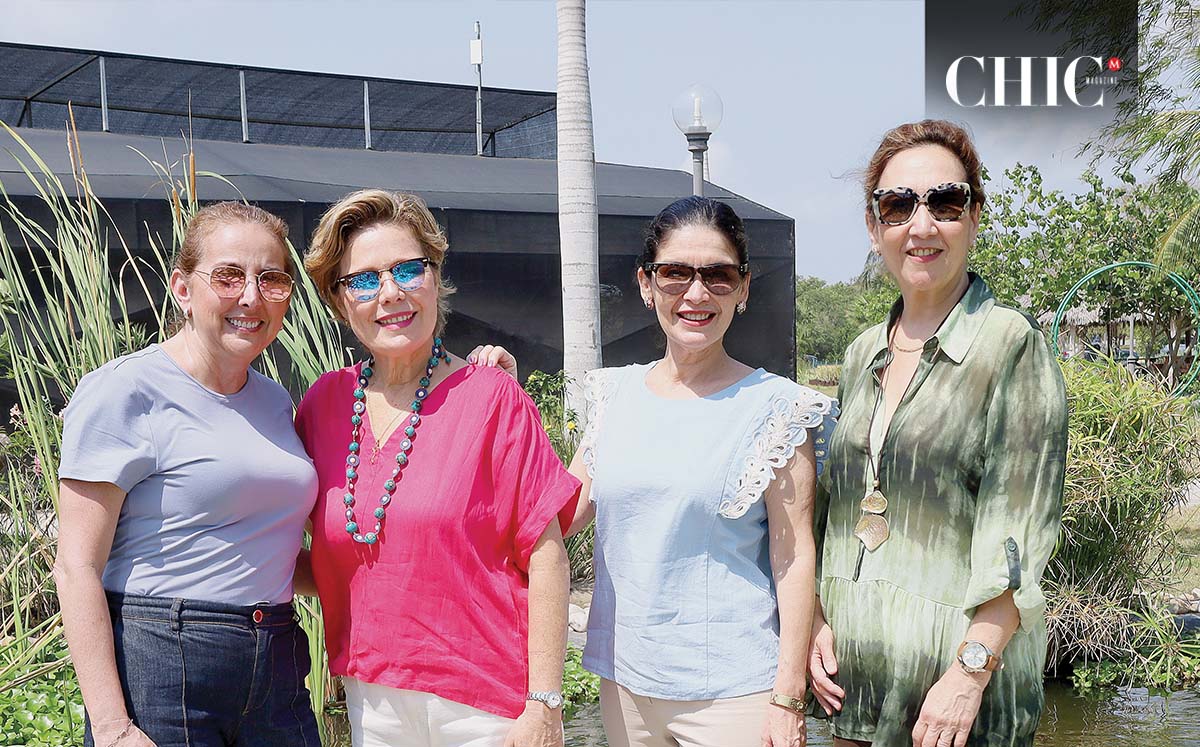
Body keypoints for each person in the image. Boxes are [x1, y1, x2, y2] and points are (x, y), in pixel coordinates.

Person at [806, 120, 1068, 747]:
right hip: (856, 690)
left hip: (957, 705)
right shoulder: (860, 353)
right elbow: (840, 513)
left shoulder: (1011, 346)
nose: (921, 226)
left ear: (974, 216)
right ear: (875, 228)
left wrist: (969, 676)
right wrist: (817, 618)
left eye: (945, 203)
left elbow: (1020, 538)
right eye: (898, 206)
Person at [295, 189, 580, 747]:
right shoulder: (323, 405)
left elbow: (547, 557)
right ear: (339, 299)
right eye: (364, 278)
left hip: (484, 706)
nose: (391, 293)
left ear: (435, 273)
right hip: (370, 697)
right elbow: (301, 547)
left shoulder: (493, 397)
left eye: (407, 269)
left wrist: (545, 705)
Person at [565, 196, 837, 747]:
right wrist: (495, 395)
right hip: (624, 683)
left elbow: (793, 555)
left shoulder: (778, 409)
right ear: (646, 284)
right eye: (674, 274)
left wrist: (788, 697)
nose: (695, 293)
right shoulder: (611, 396)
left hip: (735, 693)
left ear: (742, 289)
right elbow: (562, 513)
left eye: (717, 275)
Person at [55, 202, 322, 747]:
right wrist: (111, 728)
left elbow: (261, 546)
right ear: (182, 287)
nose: (251, 296)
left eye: (271, 279)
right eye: (228, 275)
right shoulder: (125, 391)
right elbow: (76, 565)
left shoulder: (274, 400)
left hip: (274, 658)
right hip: (161, 658)